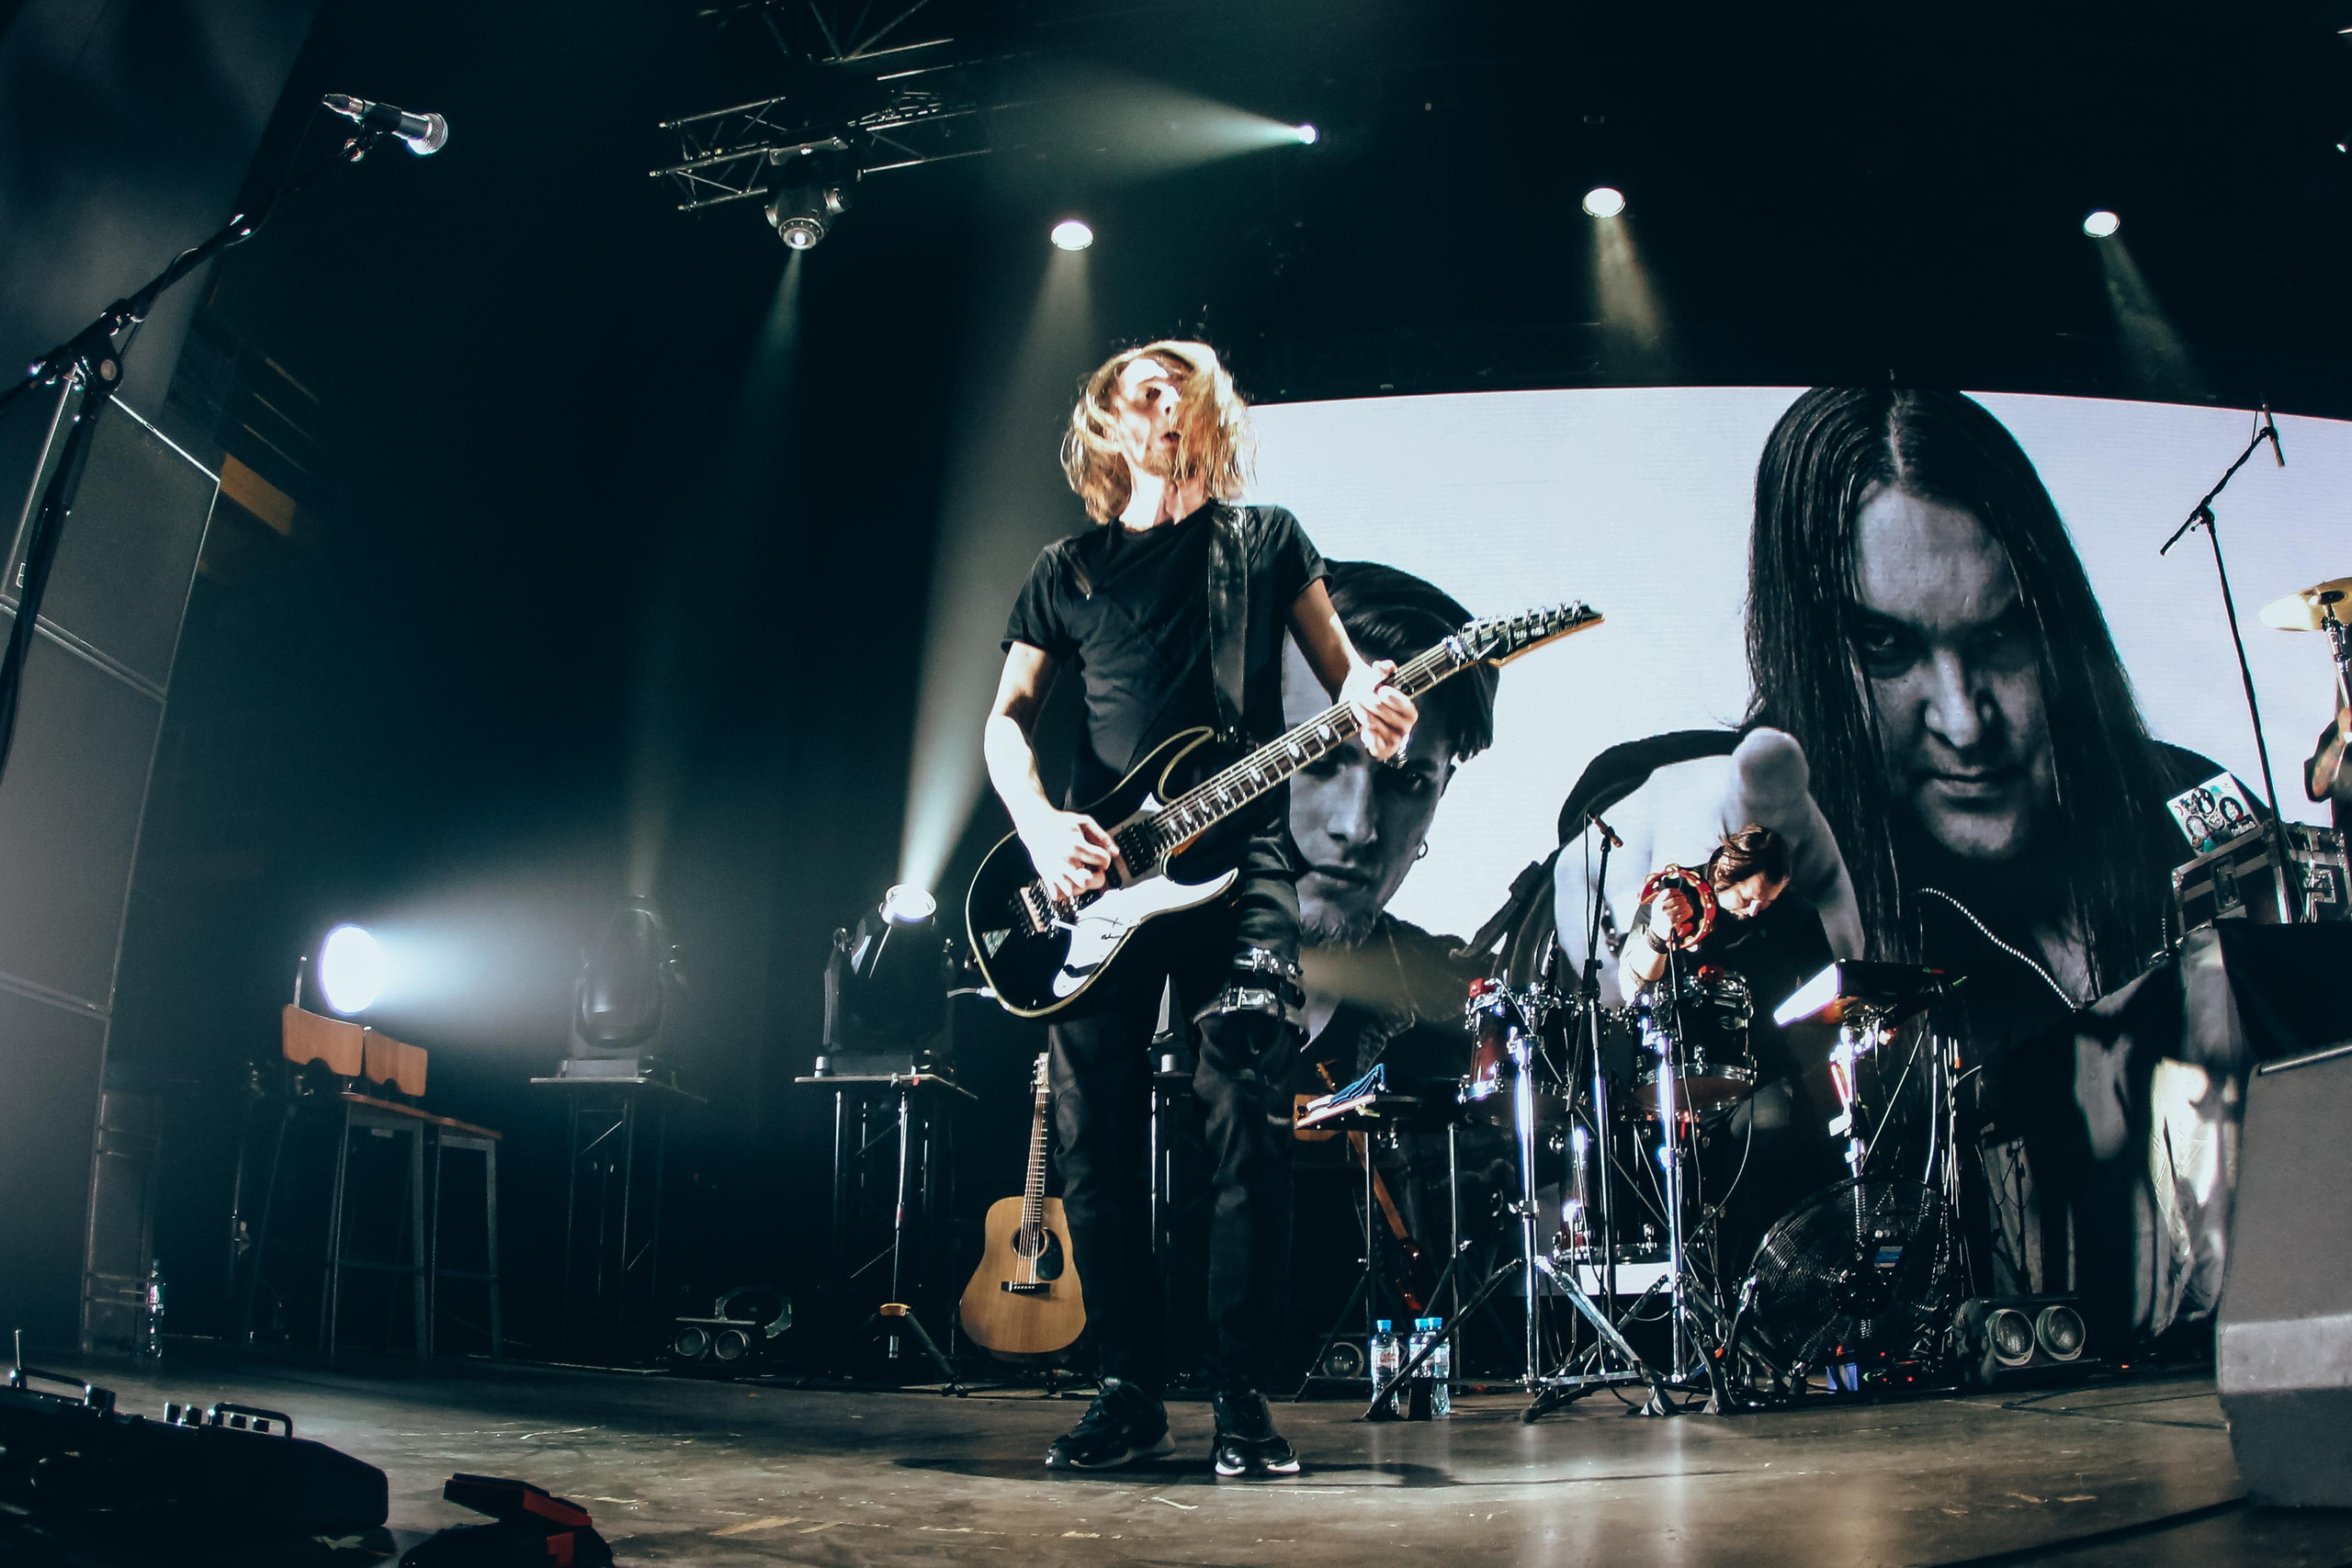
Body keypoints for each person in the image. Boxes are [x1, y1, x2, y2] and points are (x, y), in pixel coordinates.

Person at [985, 341, 1417, 1477]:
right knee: (1094, 1135)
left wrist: (1373, 698)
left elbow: (1345, 671)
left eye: (1185, 387)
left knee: (1244, 1117)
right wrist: (1039, 824)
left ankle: (1240, 1395)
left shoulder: (1262, 542)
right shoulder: (1066, 570)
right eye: (1145, 389)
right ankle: (1126, 1388)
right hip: (1099, 881)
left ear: (1210, 413)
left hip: (1245, 864)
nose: (1168, 401)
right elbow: (1005, 719)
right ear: (1108, 421)